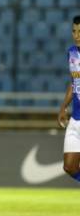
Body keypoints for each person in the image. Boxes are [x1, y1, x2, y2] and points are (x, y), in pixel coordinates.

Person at [58, 15, 80, 182]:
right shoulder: (72, 53)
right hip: (75, 119)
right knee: (69, 167)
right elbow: (74, 83)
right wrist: (63, 107)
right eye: (74, 31)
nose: (77, 35)